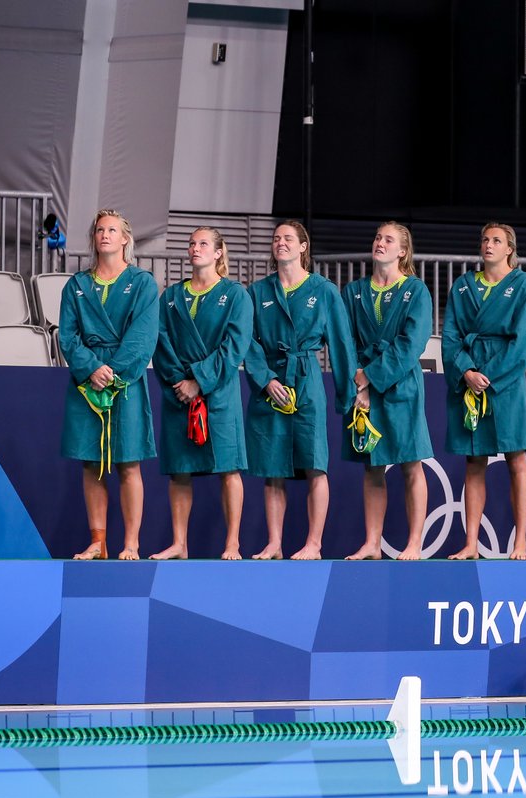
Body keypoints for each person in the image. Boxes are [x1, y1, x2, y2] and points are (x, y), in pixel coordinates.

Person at [244, 221, 357, 560]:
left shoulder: (323, 290)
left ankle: (314, 544)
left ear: (303, 247)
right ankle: (275, 543)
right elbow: (247, 342)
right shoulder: (258, 291)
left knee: (314, 464)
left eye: (288, 238)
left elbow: (341, 344)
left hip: (307, 380)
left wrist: (348, 395)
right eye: (276, 238)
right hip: (271, 382)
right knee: (272, 467)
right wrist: (265, 380)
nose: (281, 243)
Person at [59, 208, 159, 560]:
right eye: (100, 230)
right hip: (87, 383)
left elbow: (143, 336)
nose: (104, 235)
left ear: (125, 239)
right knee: (91, 461)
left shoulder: (143, 283)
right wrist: (91, 369)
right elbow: (68, 337)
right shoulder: (77, 285)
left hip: (124, 381)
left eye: (112, 230)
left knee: (128, 461)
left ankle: (131, 542)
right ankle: (98, 542)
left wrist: (112, 372)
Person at [151, 227, 253, 559]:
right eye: (192, 243)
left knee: (229, 468)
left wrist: (199, 380)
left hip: (218, 392)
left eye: (204, 244)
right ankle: (180, 543)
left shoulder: (236, 295)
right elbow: (160, 340)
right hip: (179, 393)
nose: (196, 249)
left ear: (219, 252)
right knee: (180, 470)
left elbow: (234, 347)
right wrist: (180, 381)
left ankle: (232, 542)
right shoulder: (170, 296)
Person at [441, 223, 526, 560]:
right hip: (470, 376)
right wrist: (466, 371)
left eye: (496, 240)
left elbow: (524, 342)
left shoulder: (525, 286)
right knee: (474, 461)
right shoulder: (463, 286)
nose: (488, 245)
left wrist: (489, 375)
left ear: (510, 248)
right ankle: (471, 543)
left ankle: (521, 542)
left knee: (517, 459)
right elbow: (451, 335)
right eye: (484, 239)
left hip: (506, 382)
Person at [341, 222, 433, 560]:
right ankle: (372, 543)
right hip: (362, 383)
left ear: (402, 251)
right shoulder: (352, 292)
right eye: (378, 237)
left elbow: (412, 344)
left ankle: (414, 543)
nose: (380, 243)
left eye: (388, 239)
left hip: (401, 384)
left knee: (411, 464)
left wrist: (371, 378)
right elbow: (345, 340)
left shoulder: (417, 291)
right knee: (372, 466)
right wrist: (356, 379)